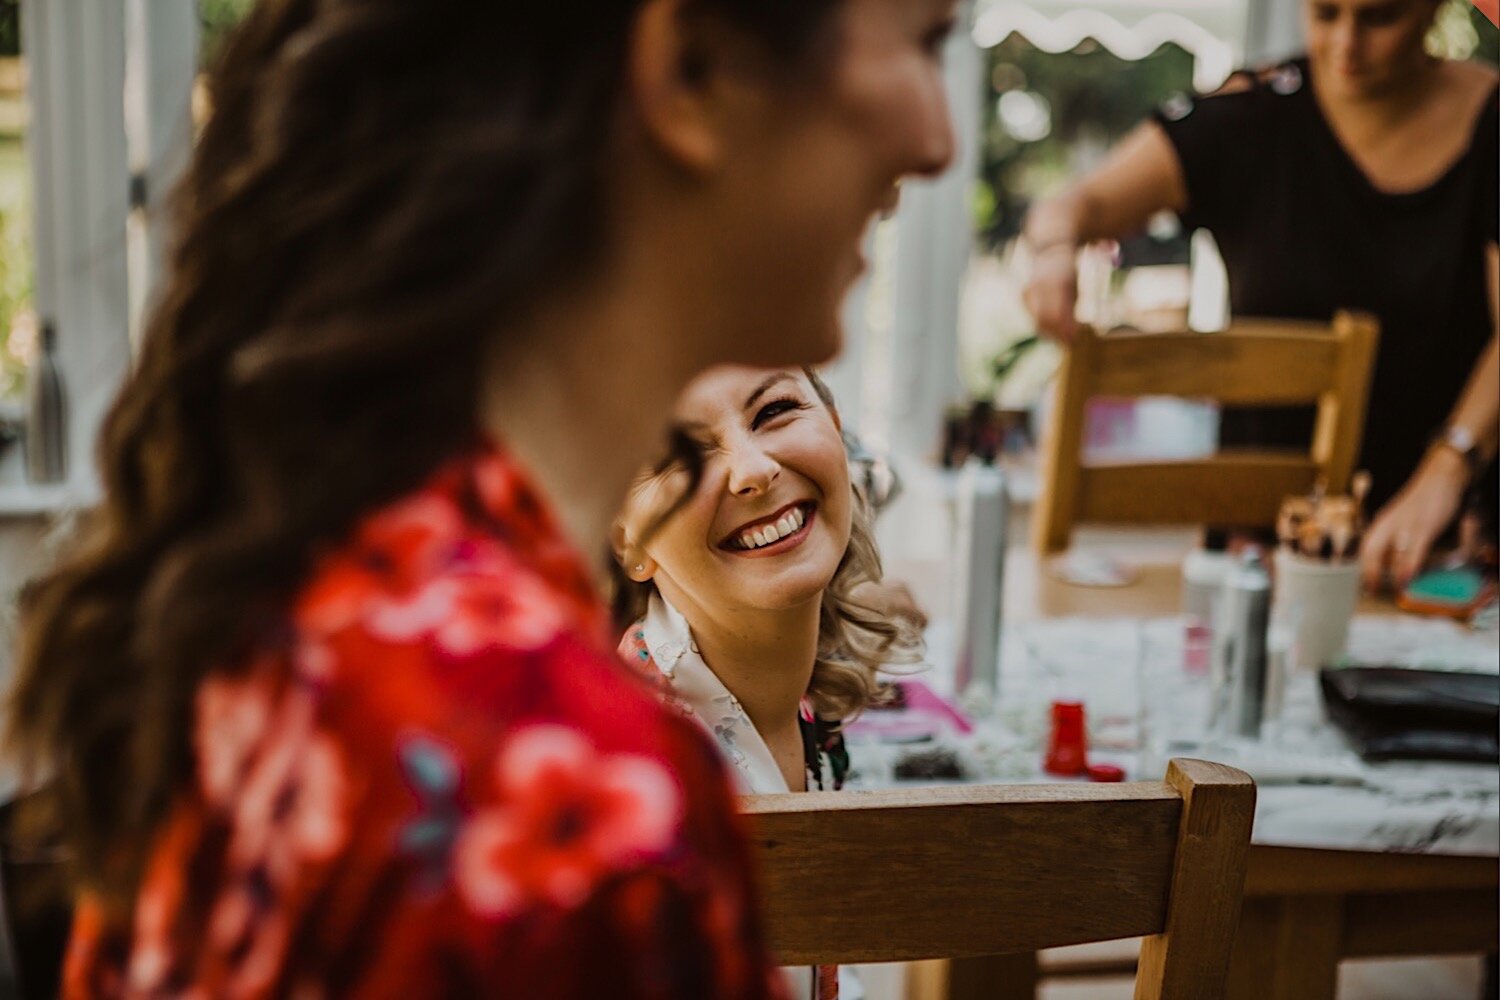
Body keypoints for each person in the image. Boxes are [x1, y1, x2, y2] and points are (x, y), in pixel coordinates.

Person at [4, 1, 958, 995]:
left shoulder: (297, 584)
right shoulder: (573, 791)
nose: (937, 141)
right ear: (690, 70)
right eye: (925, 41)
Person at [1021, 0, 1498, 590]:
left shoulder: (1492, 122)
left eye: (1379, 18)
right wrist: (1052, 251)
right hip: (1258, 564)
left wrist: (1447, 470)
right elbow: (1071, 206)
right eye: (1325, 14)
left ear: (1431, 11)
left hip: (1437, 557)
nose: (1346, 45)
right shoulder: (1252, 117)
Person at [611, 366, 924, 1000]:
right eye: (682, 452)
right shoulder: (649, 785)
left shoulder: (799, 691)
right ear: (627, 542)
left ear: (835, 436)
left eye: (775, 410)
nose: (752, 469)